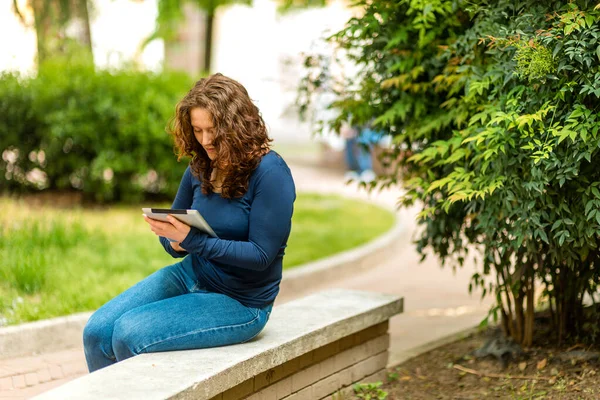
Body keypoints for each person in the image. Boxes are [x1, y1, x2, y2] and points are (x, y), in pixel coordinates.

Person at [82, 73, 296, 372]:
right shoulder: (200, 167)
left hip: (241, 301)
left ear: (238, 127)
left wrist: (193, 241)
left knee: (129, 334)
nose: (205, 141)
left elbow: (261, 256)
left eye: (213, 131)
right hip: (192, 273)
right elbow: (175, 234)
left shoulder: (270, 172)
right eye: (197, 130)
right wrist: (172, 238)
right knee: (96, 332)